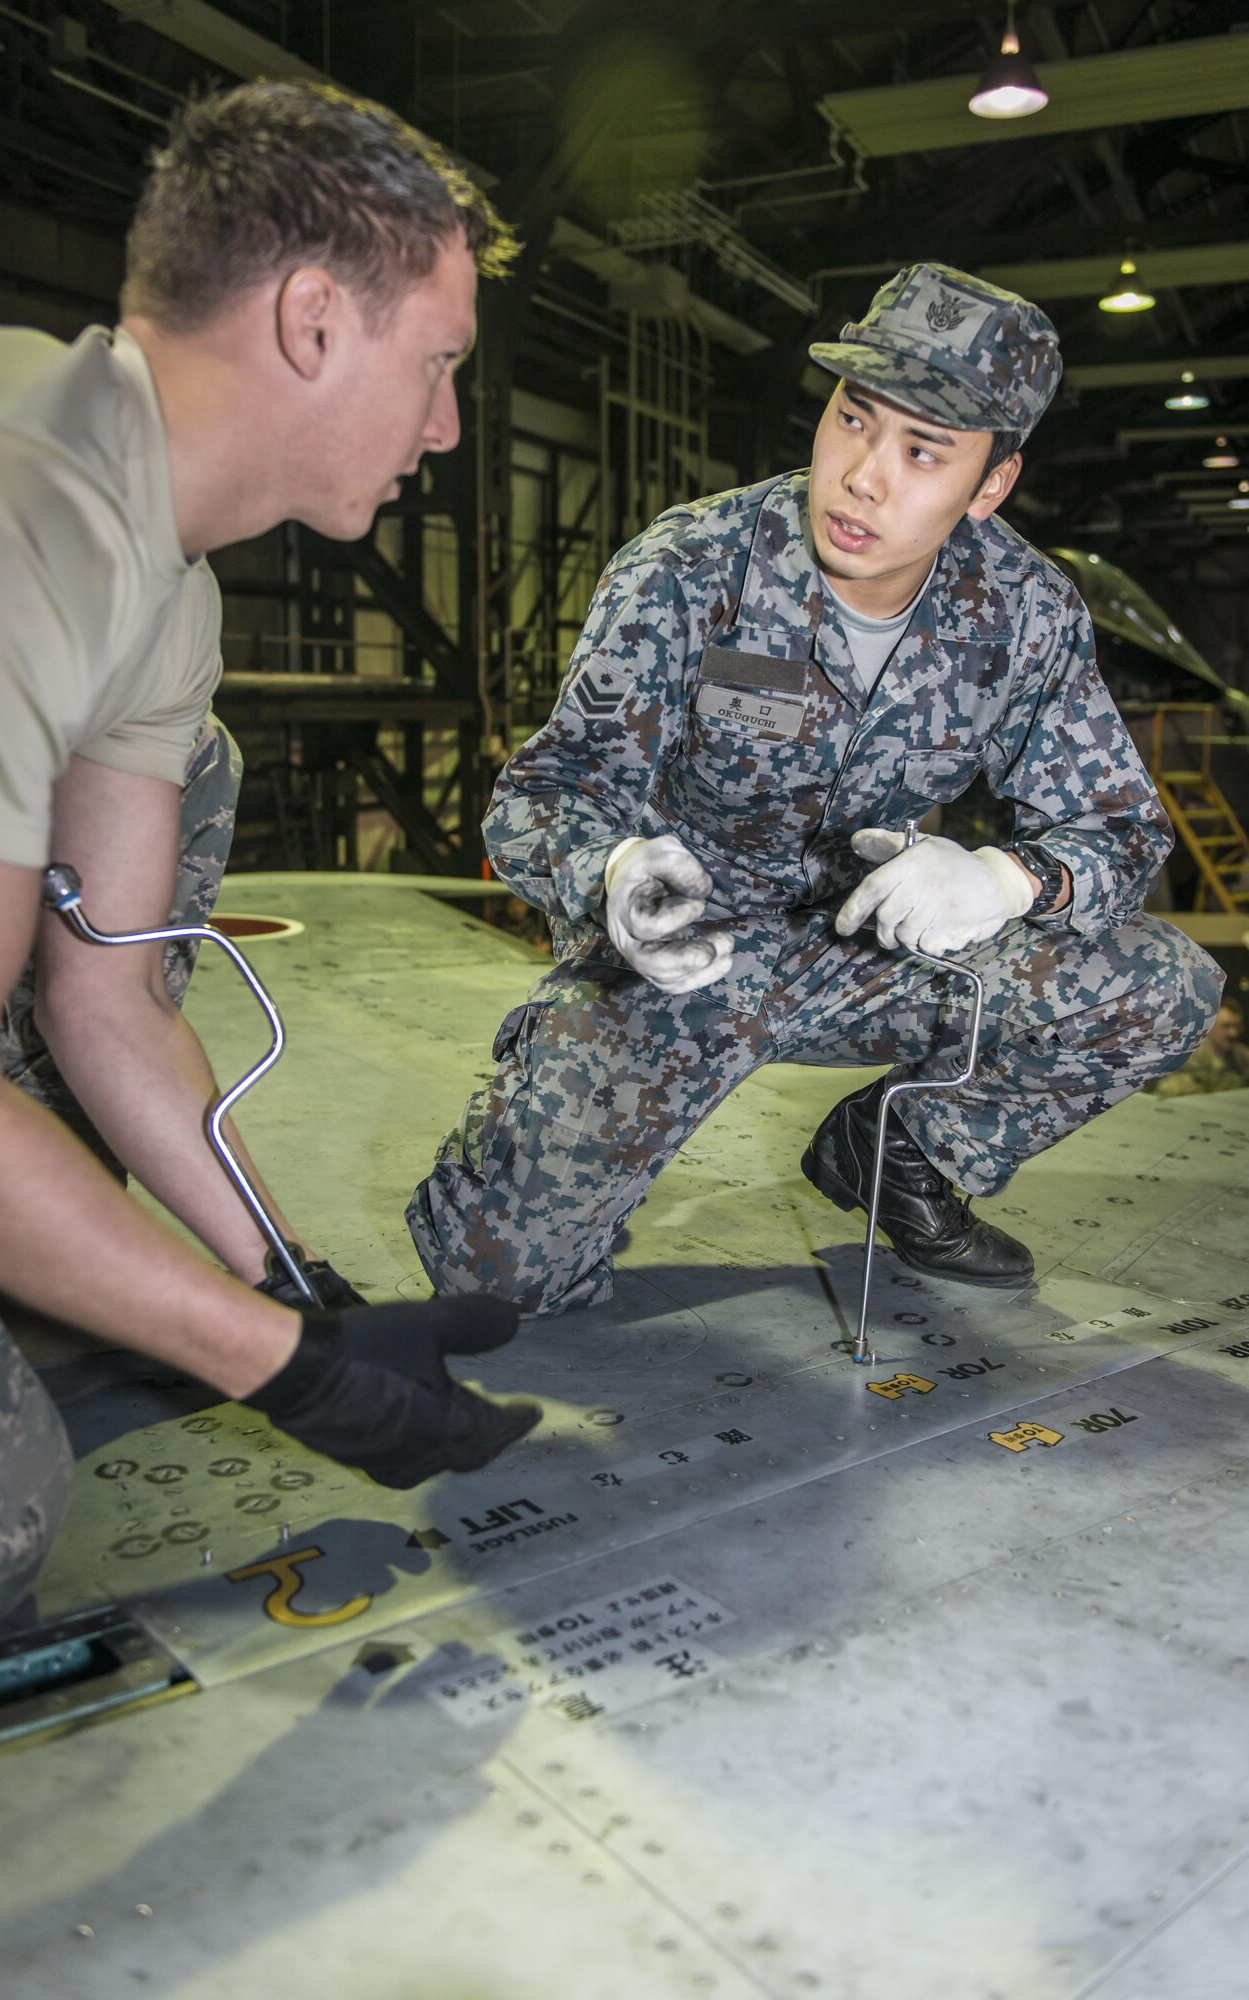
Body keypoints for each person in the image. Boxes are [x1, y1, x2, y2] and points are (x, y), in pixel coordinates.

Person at [0, 82, 540, 1655]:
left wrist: (297, 1287)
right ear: (318, 321)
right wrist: (280, 1372)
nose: (448, 427)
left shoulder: (156, 573)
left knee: (194, 769)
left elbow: (110, 1001)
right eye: (441, 366)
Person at [407, 262, 1224, 1316]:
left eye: (922, 450)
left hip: (875, 945)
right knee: (495, 1280)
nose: (861, 476)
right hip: (681, 959)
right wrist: (610, 867)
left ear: (990, 485)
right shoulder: (689, 567)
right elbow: (547, 789)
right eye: (852, 418)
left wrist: (1003, 876)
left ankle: (900, 1151)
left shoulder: (1026, 612)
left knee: (1160, 987)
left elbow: (1117, 827)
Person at [1150, 996, 1249, 1096]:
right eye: (1226, 1026)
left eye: (1237, 1026)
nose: (1233, 1033)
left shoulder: (1242, 1058)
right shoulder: (1186, 1058)